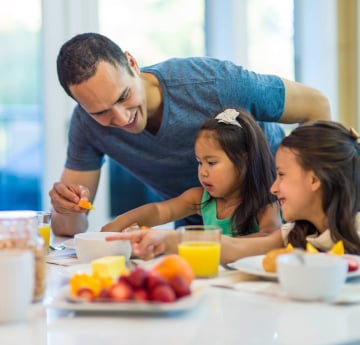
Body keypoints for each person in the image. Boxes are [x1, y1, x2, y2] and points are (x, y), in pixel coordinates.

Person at [49, 32, 331, 236]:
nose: (122, 118)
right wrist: (65, 208)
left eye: (124, 96)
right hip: (200, 228)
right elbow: (69, 229)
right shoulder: (86, 126)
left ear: (132, 63)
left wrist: (310, 210)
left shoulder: (217, 83)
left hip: (277, 216)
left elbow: (316, 105)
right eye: (100, 112)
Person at [106, 120, 360, 262]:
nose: (273, 187)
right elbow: (231, 248)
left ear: (314, 180)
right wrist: (169, 240)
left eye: (281, 175)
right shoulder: (294, 234)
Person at [102, 108, 283, 237]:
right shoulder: (201, 199)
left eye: (211, 163)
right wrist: (119, 223)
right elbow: (159, 211)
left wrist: (212, 244)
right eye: (199, 162)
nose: (203, 172)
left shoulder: (265, 201)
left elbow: (271, 236)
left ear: (245, 159)